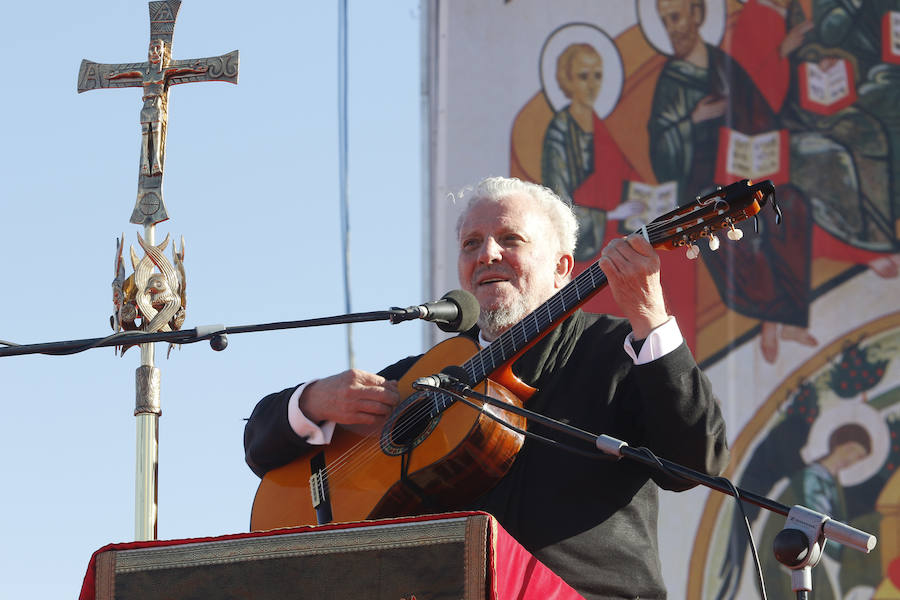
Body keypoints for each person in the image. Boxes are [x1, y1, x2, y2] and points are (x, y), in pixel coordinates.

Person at [244, 176, 730, 599]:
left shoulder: (619, 348)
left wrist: (650, 317)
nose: (487, 254)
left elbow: (695, 464)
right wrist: (310, 400)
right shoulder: (426, 374)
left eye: (510, 239)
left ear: (563, 267)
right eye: (471, 243)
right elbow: (261, 447)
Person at [647, 0, 816, 363]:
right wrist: (693, 120)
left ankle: (788, 319)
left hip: (738, 169)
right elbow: (660, 150)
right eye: (664, 21)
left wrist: (761, 144)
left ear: (696, 14)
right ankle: (772, 318)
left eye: (675, 17)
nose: (671, 27)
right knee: (738, 226)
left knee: (792, 204)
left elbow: (757, 110)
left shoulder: (723, 66)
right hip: (700, 186)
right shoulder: (671, 81)